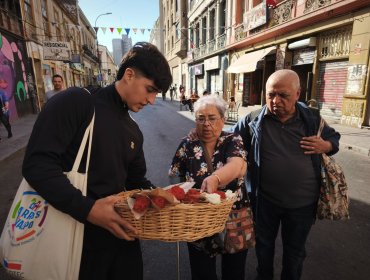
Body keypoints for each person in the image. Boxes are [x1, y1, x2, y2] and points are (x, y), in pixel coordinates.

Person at [22, 42, 172, 280]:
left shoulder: (134, 131)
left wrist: (165, 197)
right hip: (75, 239)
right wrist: (88, 209)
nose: (152, 100)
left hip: (121, 237)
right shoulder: (77, 102)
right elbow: (37, 164)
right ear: (129, 74)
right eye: (150, 89)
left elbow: (135, 181)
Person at [232, 69, 340, 280]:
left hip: (303, 204)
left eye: (283, 95)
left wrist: (325, 145)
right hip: (265, 201)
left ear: (298, 94)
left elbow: (334, 139)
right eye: (271, 94)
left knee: (295, 253)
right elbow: (230, 141)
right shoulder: (253, 120)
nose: (275, 101)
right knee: (264, 248)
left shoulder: (312, 118)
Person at [169, 95, 250, 280]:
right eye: (200, 118)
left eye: (212, 118)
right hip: (198, 218)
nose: (206, 124)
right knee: (202, 272)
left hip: (234, 214)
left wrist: (215, 178)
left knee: (234, 271)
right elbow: (174, 175)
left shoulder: (233, 139)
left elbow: (237, 164)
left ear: (222, 120)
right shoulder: (187, 144)